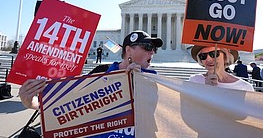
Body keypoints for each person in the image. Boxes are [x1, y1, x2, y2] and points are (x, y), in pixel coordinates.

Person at [18, 30, 163, 138]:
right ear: (128, 50)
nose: (152, 53)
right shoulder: (100, 73)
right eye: (147, 47)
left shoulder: (152, 79)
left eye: (154, 49)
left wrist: (139, 81)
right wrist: (32, 102)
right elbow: (69, 105)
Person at [189, 45, 254, 91]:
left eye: (214, 53)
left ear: (225, 56)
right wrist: (206, 90)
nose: (208, 59)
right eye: (203, 56)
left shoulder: (244, 88)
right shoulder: (194, 81)